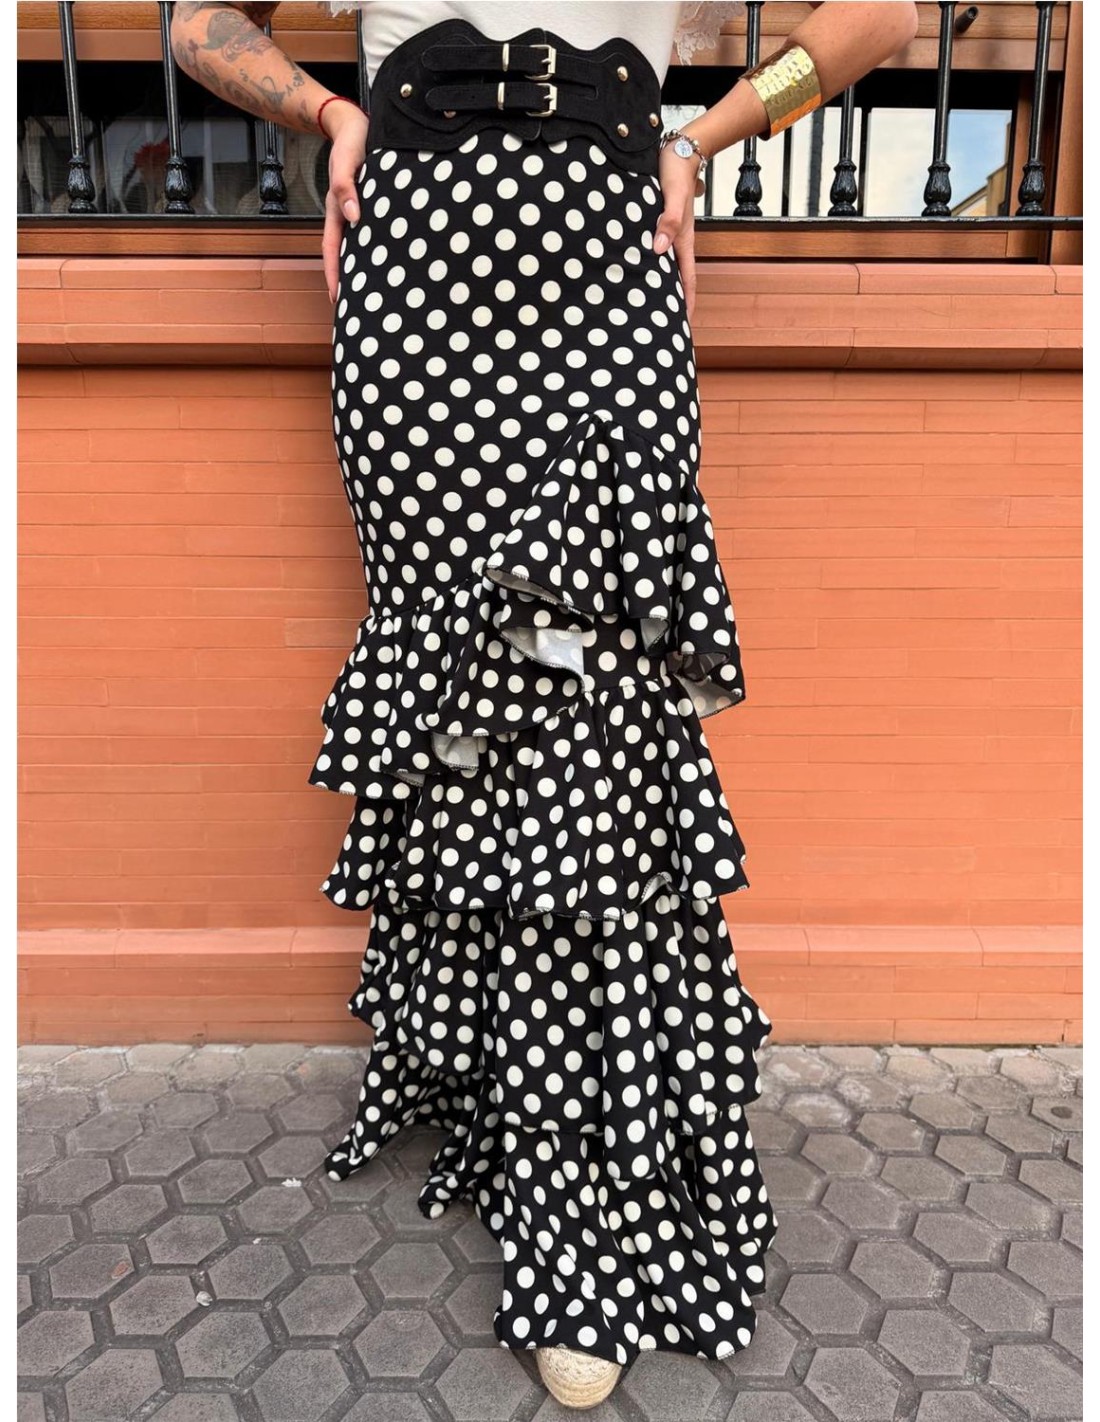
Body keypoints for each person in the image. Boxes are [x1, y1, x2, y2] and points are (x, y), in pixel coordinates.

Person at [171, 1, 920, 1409]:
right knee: (466, 693)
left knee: (592, 695)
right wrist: (330, 113)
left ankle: (586, 1200)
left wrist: (703, 138)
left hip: (603, 238)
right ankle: (487, 1071)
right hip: (418, 258)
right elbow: (201, 22)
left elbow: (880, 14)